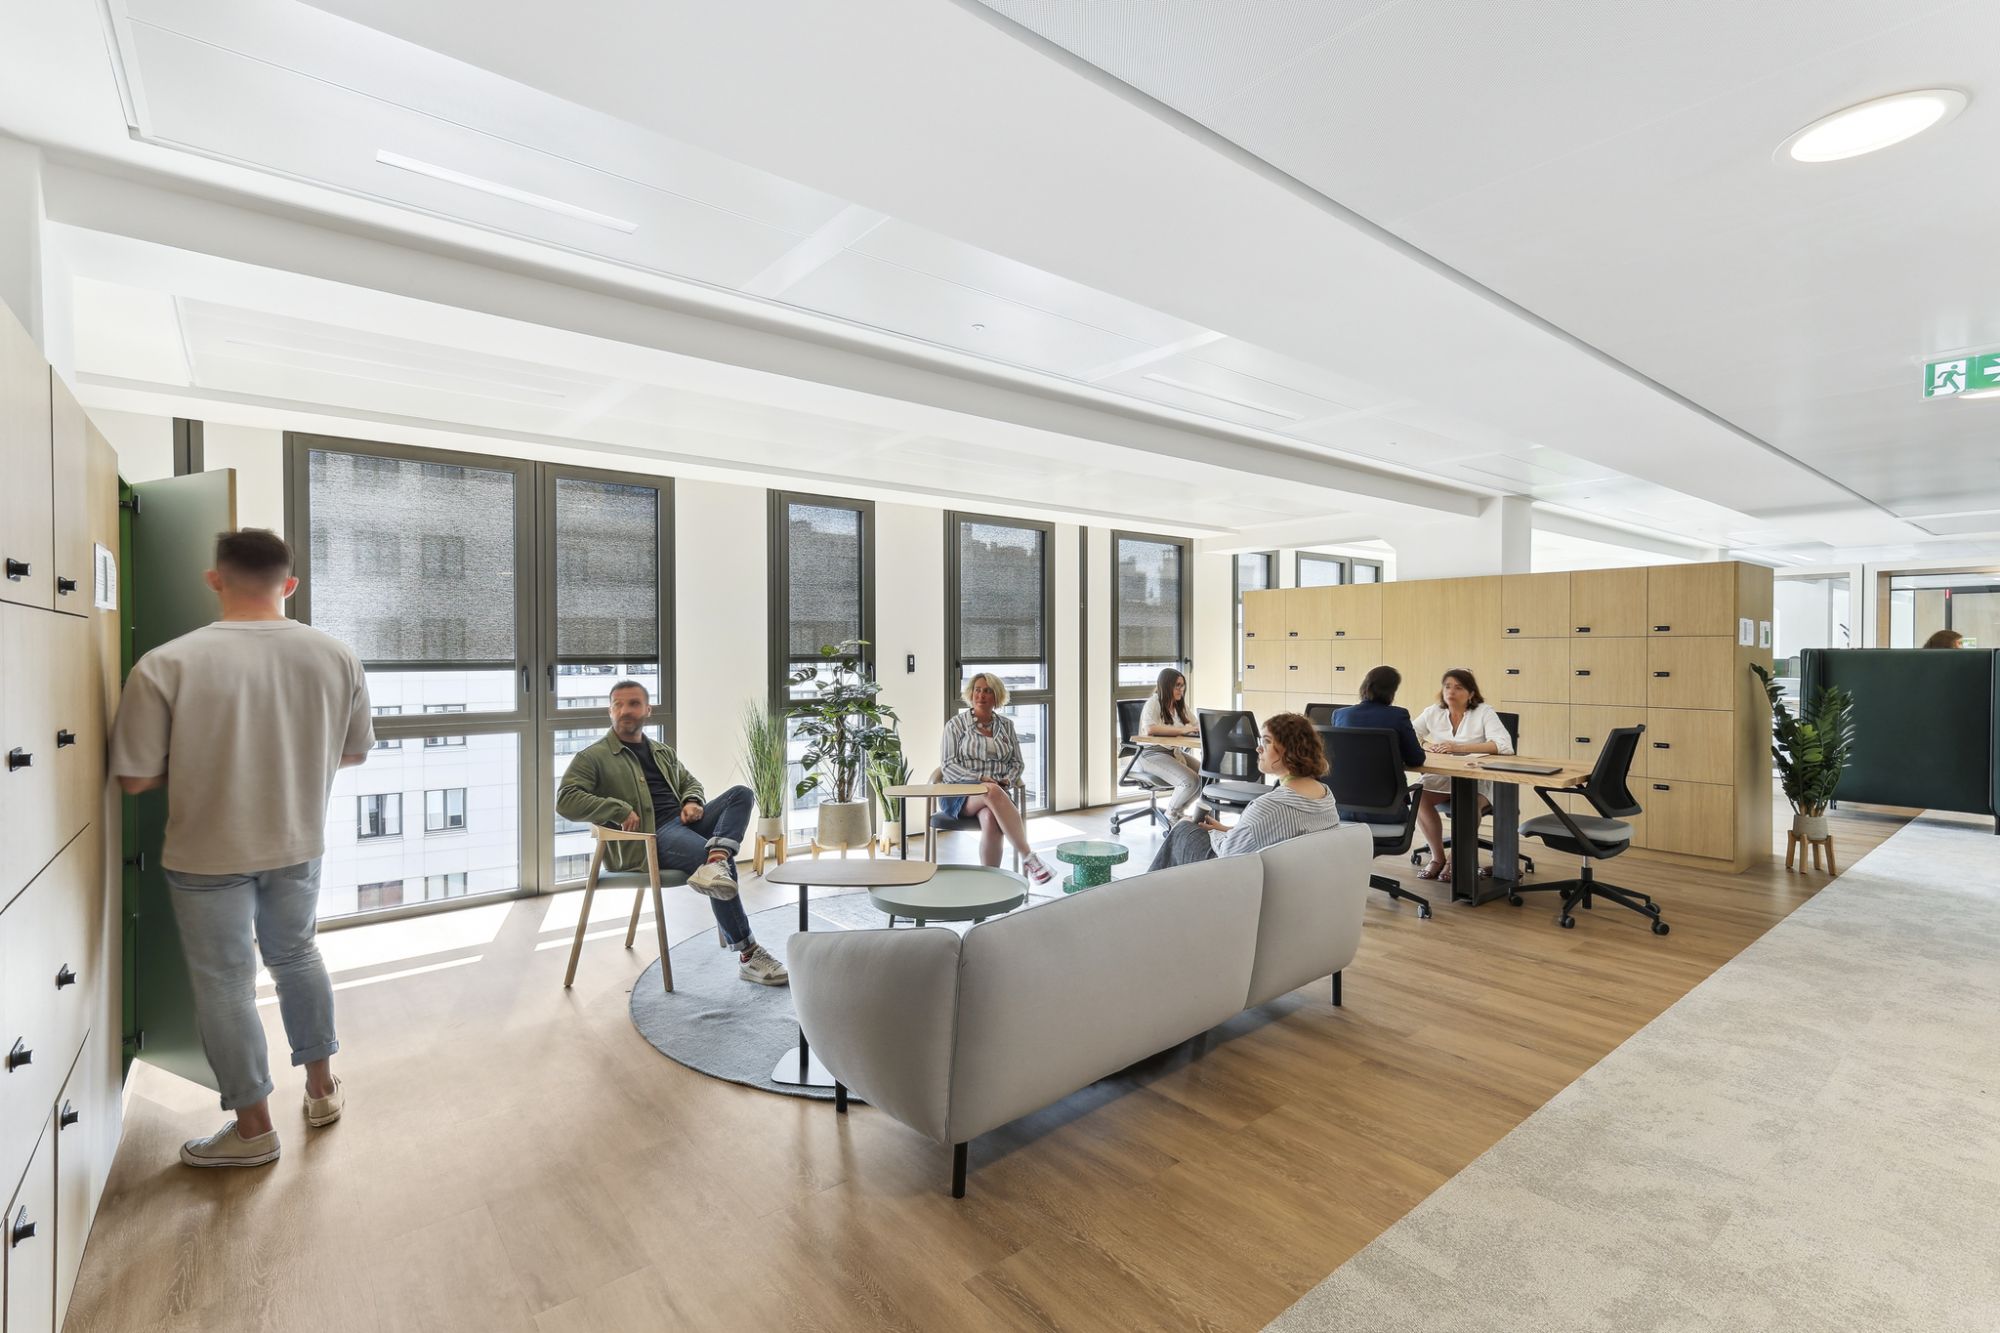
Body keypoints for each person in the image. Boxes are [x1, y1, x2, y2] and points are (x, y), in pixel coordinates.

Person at [108, 529, 368, 1169]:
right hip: (297, 842)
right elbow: (354, 752)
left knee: (226, 985)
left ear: (214, 579)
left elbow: (134, 778)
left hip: (206, 854)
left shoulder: (166, 663)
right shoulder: (336, 655)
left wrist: (206, 761)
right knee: (297, 955)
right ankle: (322, 1091)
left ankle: (255, 1131)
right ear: (290, 585)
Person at [556, 681, 787, 986]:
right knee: (715, 864)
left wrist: (692, 801)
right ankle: (748, 954)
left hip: (683, 824)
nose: (625, 711)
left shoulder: (662, 752)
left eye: (633, 703)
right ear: (610, 710)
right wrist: (617, 809)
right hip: (649, 838)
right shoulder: (593, 757)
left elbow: (690, 783)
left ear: (647, 710)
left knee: (741, 794)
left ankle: (717, 857)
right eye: (618, 704)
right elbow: (566, 800)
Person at [1148, 712, 1340, 869]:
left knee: (1183, 828)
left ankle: (1147, 897)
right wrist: (1227, 830)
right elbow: (1275, 832)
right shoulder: (1325, 796)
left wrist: (1213, 834)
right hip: (1291, 875)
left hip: (1235, 878)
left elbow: (1229, 853)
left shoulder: (1269, 806)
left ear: (1289, 750)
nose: (1258, 749)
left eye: (1266, 742)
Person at [940, 673, 1055, 884]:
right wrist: (981, 777)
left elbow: (1017, 763)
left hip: (996, 794)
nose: (981, 695)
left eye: (987, 691)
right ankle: (1028, 857)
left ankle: (989, 882)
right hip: (960, 794)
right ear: (971, 693)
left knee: (991, 818)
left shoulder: (1006, 726)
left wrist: (1007, 780)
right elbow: (948, 766)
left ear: (997, 696)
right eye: (977, 690)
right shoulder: (955, 725)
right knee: (990, 789)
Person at [1410, 668, 1514, 881]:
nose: (1451, 691)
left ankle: (1455, 859)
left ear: (1471, 693)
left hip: (1477, 777)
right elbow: (1409, 733)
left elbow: (1503, 746)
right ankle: (1437, 858)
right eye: (1447, 686)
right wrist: (1427, 745)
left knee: (1468, 803)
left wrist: (1457, 748)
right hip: (1442, 776)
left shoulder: (1484, 712)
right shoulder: (1433, 712)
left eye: (1458, 687)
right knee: (1418, 796)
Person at [1331, 666, 1426, 826]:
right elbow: (1416, 759)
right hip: (1389, 811)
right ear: (1392, 691)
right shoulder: (1398, 715)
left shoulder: (1340, 715)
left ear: (1364, 686)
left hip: (1343, 811)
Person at [1132, 667, 1204, 820]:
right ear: (1166, 685)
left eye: (1182, 685)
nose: (1181, 689)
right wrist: (1183, 730)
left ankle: (1179, 812)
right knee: (1190, 781)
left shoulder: (1179, 706)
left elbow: (1196, 725)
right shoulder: (1154, 703)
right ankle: (1172, 814)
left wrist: (1200, 728)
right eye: (1177, 685)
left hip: (1173, 753)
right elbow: (1150, 729)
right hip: (1151, 754)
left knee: (1206, 777)